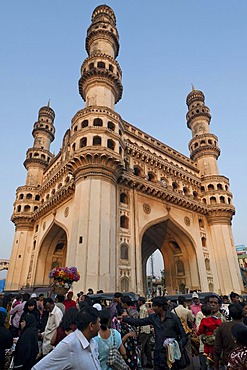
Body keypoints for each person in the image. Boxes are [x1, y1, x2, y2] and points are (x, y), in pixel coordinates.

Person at [122, 296, 187, 370]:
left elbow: (183, 336)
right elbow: (139, 322)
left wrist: (177, 345)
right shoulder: (153, 317)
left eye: (155, 306)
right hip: (158, 355)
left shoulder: (173, 318)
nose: (153, 308)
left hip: (171, 355)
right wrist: (124, 319)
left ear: (161, 307)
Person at [31, 306, 101, 370]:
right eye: (99, 322)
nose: (100, 326)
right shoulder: (69, 345)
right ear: (91, 326)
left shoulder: (93, 343)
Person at [214, 303, 244, 369]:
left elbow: (217, 349)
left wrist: (216, 367)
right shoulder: (244, 327)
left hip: (227, 361)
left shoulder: (223, 326)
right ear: (243, 314)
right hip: (243, 363)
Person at [137, 296, 153, 368]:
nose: (138, 302)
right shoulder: (145, 308)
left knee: (141, 348)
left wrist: (138, 331)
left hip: (143, 330)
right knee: (147, 348)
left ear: (141, 301)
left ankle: (141, 364)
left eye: (138, 301)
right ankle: (149, 363)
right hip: (147, 330)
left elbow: (141, 321)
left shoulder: (142, 309)